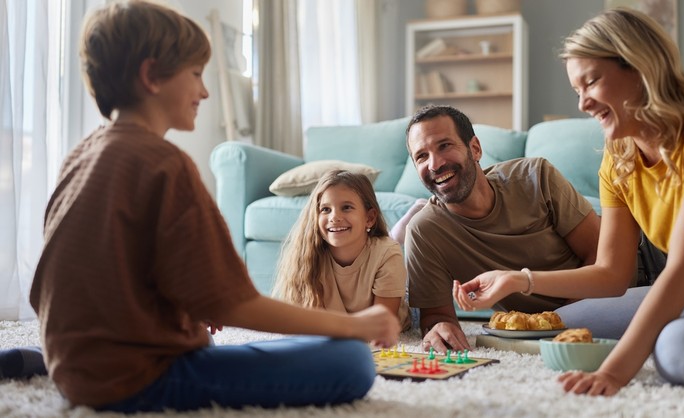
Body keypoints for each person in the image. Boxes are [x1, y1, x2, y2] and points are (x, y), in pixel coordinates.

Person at [19, 1, 400, 413]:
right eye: (196, 74)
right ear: (151, 76)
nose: (205, 90)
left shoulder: (82, 154)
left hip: (72, 366)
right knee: (352, 360)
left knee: (226, 338)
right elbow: (232, 305)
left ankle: (25, 359)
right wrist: (355, 325)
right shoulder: (164, 163)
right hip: (133, 380)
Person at [454, 7, 684, 395]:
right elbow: (612, 274)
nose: (583, 102)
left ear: (639, 68)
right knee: (555, 324)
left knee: (679, 349)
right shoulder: (619, 157)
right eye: (576, 90)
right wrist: (520, 279)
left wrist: (615, 372)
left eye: (592, 82)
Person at [404, 104, 605, 353]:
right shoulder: (425, 231)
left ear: (475, 148)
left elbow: (600, 254)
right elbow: (435, 316)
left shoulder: (536, 177)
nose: (435, 164)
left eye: (445, 146)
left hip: (639, 270)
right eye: (421, 156)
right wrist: (439, 329)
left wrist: (558, 323)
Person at [273, 169, 411, 330]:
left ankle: (401, 230)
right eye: (325, 209)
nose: (334, 217)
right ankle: (396, 232)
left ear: (369, 218)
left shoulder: (387, 253)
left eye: (346, 207)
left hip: (397, 314)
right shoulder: (308, 256)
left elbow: (380, 326)